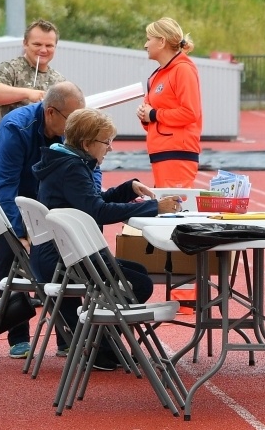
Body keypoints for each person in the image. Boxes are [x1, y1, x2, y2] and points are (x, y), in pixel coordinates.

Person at [31, 108, 180, 370]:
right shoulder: (72, 169)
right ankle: (101, 349)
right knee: (139, 283)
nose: (110, 149)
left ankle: (103, 348)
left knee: (135, 271)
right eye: (106, 142)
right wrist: (154, 207)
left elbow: (90, 201)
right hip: (64, 258)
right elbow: (97, 210)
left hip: (57, 252)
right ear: (87, 143)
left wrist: (126, 189)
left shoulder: (64, 161)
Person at [0, 81, 85, 358]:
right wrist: (18, 234)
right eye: (71, 119)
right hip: (0, 188)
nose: (75, 126)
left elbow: (85, 167)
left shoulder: (67, 130)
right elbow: (5, 185)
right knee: (9, 255)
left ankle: (67, 336)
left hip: (38, 188)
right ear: (50, 113)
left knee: (60, 254)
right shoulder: (16, 128)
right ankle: (18, 337)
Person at [136, 18, 203, 189]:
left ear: (161, 42)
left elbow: (190, 113)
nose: (145, 44)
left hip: (177, 154)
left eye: (149, 39)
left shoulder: (183, 70)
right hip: (161, 152)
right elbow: (151, 119)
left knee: (174, 209)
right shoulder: (157, 75)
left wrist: (153, 114)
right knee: (165, 208)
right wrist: (145, 116)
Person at [0, 20, 67, 127]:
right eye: (37, 44)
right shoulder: (10, 68)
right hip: (11, 140)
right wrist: (28, 94)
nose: (43, 50)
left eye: (49, 45)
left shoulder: (59, 81)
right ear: (25, 44)